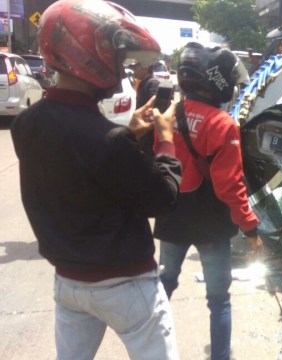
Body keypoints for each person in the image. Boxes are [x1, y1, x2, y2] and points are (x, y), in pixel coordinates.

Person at [10, 1, 182, 359]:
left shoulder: (26, 124)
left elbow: (76, 167)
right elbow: (161, 200)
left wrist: (129, 136)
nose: (120, 69)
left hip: (69, 282)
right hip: (126, 284)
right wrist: (165, 139)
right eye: (117, 58)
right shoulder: (108, 140)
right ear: (87, 54)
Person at [153, 42, 262, 360]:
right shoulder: (223, 124)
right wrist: (250, 227)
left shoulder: (170, 114)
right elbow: (230, 187)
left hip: (172, 217)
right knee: (219, 301)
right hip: (210, 224)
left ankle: (151, 351)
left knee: (162, 290)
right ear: (216, 80)